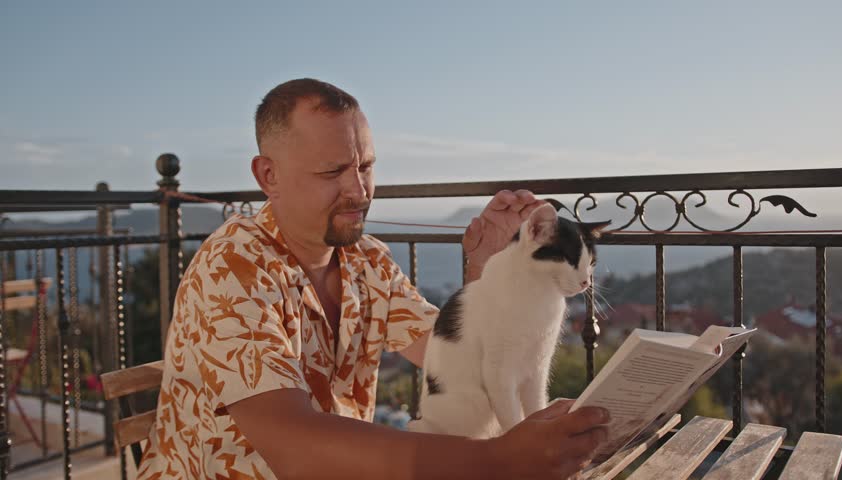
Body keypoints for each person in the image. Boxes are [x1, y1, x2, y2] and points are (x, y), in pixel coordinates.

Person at [136, 78, 609, 480]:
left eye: (365, 166)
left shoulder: (365, 259)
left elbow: (452, 354)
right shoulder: (232, 267)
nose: (359, 191)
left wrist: (487, 274)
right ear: (268, 175)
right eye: (332, 171)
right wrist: (496, 459)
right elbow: (292, 446)